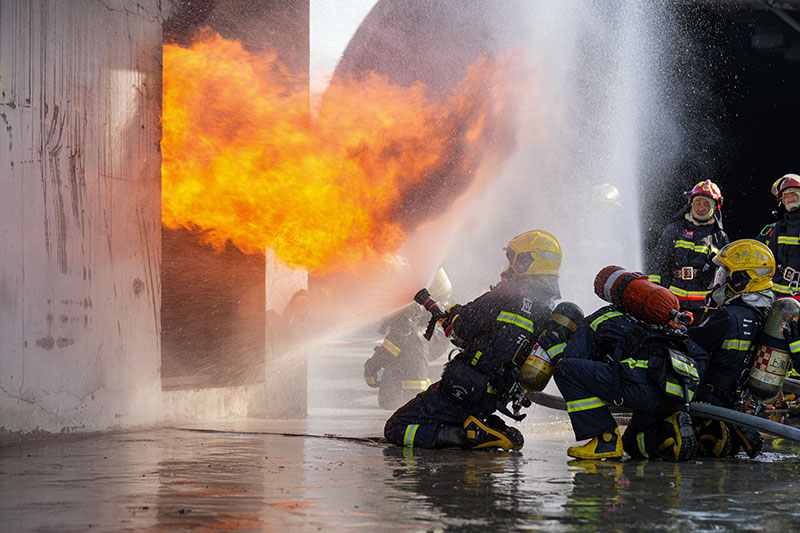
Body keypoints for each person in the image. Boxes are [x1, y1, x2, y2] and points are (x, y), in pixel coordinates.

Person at [383, 230, 568, 450]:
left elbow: (462, 326)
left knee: (397, 427)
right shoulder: (545, 310)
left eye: (515, 259)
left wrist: (453, 315)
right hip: (492, 394)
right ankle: (483, 427)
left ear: (529, 262)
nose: (508, 266)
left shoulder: (506, 294)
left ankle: (471, 435)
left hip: (466, 387)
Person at [552, 267, 709, 461]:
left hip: (639, 389)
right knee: (635, 445)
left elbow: (572, 358)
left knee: (565, 370)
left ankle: (605, 440)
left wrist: (557, 339)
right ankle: (669, 429)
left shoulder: (602, 318)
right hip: (676, 393)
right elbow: (700, 356)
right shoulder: (667, 320)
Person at [688, 239, 776, 458]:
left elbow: (690, 344)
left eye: (725, 274)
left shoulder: (728, 317)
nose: (720, 280)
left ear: (740, 279)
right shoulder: (763, 314)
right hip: (731, 398)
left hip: (708, 398)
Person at [364, 268, 453, 410]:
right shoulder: (396, 288)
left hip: (433, 335)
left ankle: (418, 398)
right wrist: (376, 363)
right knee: (388, 401)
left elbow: (402, 333)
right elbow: (395, 339)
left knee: (412, 340)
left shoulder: (410, 298)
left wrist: (374, 364)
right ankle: (418, 388)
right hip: (411, 337)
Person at [647, 180, 729, 313]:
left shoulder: (720, 237)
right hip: (673, 298)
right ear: (691, 204)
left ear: (714, 207)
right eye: (698, 203)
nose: (701, 208)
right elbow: (658, 261)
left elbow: (726, 271)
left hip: (704, 303)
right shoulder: (675, 229)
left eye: (706, 204)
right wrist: (653, 289)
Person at [758, 173, 800, 300]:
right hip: (775, 294)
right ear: (782, 201)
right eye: (786, 196)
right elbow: (766, 257)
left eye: (794, 195)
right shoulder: (778, 227)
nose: (790, 199)